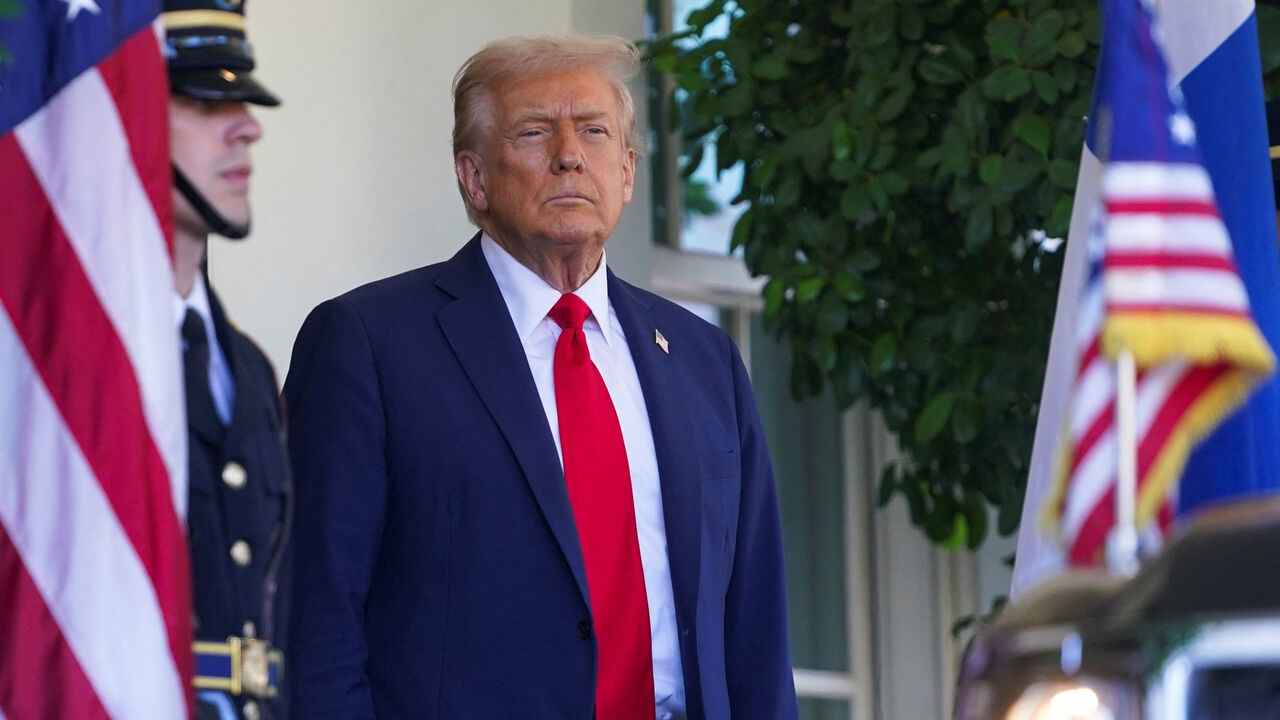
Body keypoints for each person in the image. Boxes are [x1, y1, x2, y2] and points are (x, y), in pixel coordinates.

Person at [284, 35, 798, 719]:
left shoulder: (706, 363)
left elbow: (754, 631)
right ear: (474, 178)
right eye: (534, 132)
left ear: (627, 171)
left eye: (593, 131)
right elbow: (315, 621)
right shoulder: (368, 345)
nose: (568, 154)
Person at [164, 1, 290, 718]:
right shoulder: (46, 364)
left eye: (242, 97)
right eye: (205, 99)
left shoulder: (245, 366)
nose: (248, 125)